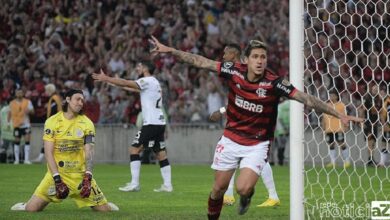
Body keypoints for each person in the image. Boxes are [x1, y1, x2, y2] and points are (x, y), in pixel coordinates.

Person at [149, 36, 363, 219]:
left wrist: (338, 114)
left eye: (263, 57)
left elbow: (306, 99)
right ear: (247, 60)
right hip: (231, 138)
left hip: (257, 143)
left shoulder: (274, 82)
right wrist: (171, 51)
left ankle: (247, 196)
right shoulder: (234, 71)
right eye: (255, 57)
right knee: (218, 190)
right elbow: (200, 62)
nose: (260, 61)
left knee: (243, 187)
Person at [10, 89, 119, 212]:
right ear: (67, 99)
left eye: (82, 100)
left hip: (80, 176)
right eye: (77, 99)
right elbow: (48, 152)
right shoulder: (52, 121)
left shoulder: (87, 123)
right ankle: (26, 204)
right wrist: (57, 179)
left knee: (105, 211)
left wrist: (88, 176)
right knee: (31, 209)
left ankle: (106, 204)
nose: (80, 103)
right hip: (57, 174)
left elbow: (89, 151)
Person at [210, 43, 280, 208]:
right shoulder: (237, 70)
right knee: (234, 155)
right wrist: (222, 110)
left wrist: (220, 111)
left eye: (226, 53)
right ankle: (229, 195)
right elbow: (238, 100)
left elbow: (249, 98)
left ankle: (272, 195)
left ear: (233, 54)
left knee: (257, 158)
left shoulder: (244, 68)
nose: (223, 57)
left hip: (257, 127)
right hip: (240, 126)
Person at [92, 61, 173, 193]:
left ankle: (134, 183)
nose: (137, 68)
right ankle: (167, 185)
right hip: (159, 122)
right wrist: (112, 82)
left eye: (140, 66)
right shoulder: (154, 82)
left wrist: (107, 78)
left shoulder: (146, 80)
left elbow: (127, 83)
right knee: (161, 153)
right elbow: (131, 87)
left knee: (134, 150)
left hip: (151, 123)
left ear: (146, 68)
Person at [34, 84, 63, 163]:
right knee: (49, 141)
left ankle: (41, 158)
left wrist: (50, 121)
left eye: (46, 90)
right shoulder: (55, 98)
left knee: (48, 140)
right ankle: (41, 158)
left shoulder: (54, 98)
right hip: (56, 122)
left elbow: (54, 110)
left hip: (54, 123)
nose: (45, 92)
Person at [322, 90, 350, 168]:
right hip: (329, 129)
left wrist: (346, 126)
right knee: (331, 145)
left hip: (339, 128)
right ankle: (333, 162)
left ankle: (347, 161)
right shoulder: (326, 105)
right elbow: (324, 117)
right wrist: (323, 128)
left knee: (342, 144)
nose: (331, 97)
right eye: (330, 95)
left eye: (332, 95)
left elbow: (345, 116)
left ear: (337, 96)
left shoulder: (341, 105)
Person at [8, 89, 34, 164]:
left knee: (27, 141)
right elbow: (9, 113)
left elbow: (33, 111)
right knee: (16, 142)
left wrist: (29, 111)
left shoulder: (28, 102)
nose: (19, 94)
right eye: (18, 93)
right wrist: (8, 123)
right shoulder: (12, 103)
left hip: (26, 124)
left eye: (21, 92)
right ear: (15, 94)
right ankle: (16, 160)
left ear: (23, 93)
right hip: (16, 125)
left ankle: (26, 160)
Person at [361, 84, 382, 166]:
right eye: (374, 89)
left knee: (373, 142)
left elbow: (380, 111)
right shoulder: (367, 98)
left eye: (377, 89)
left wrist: (380, 122)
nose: (375, 91)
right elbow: (362, 110)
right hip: (368, 122)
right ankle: (370, 160)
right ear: (371, 90)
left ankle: (371, 159)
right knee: (370, 141)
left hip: (375, 123)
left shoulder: (379, 99)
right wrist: (362, 122)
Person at [379, 94, 390, 167]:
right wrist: (384, 125)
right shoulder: (387, 101)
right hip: (388, 125)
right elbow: (382, 114)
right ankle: (382, 162)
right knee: (384, 143)